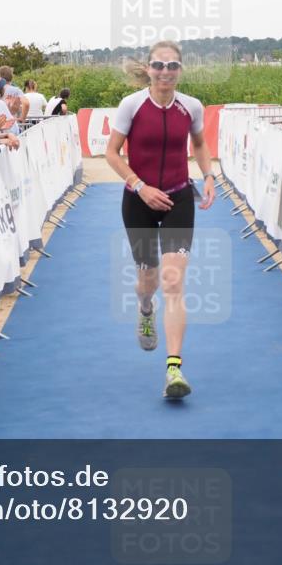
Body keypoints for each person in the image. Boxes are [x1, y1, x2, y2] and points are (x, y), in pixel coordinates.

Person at [104, 40, 216, 400]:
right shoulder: (132, 105)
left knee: (172, 282)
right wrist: (140, 186)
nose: (165, 72)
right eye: (158, 65)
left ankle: (174, 369)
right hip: (138, 200)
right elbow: (111, 152)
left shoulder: (191, 107)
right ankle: (144, 307)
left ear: (180, 70)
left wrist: (209, 175)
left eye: (172, 66)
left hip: (179, 198)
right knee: (148, 280)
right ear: (149, 69)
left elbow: (198, 145)